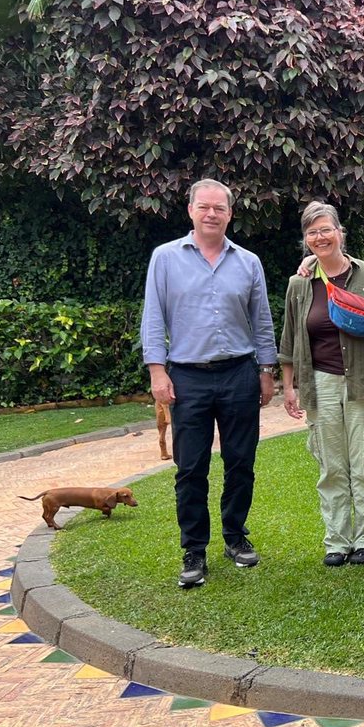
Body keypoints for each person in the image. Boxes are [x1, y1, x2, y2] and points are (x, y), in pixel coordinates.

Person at [141, 178, 278, 589]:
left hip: (239, 373)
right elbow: (153, 317)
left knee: (241, 462)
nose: (212, 213)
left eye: (219, 208)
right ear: (191, 211)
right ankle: (194, 549)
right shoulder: (165, 259)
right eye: (204, 206)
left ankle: (235, 537)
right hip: (186, 377)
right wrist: (156, 370)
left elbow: (262, 320)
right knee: (191, 467)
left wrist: (266, 369)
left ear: (230, 214)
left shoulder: (248, 262)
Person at [278, 201, 364, 567]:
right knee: (331, 466)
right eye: (312, 232)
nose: (320, 236)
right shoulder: (300, 283)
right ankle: (337, 541)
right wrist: (289, 386)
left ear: (340, 232)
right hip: (320, 383)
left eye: (326, 229)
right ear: (306, 240)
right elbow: (290, 338)